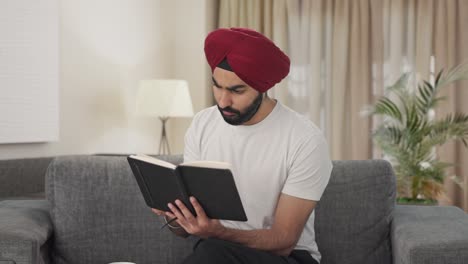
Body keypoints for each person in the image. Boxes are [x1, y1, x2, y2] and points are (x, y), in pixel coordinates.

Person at [152, 28, 332, 264]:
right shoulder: (203, 124)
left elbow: (284, 240)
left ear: (262, 88)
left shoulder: (304, 139)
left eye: (237, 90)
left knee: (212, 251)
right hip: (215, 252)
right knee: (211, 251)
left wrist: (218, 233)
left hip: (286, 258)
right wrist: (175, 217)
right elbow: (185, 232)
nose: (223, 101)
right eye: (217, 86)